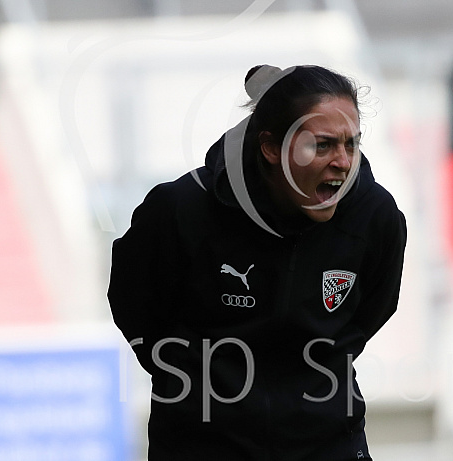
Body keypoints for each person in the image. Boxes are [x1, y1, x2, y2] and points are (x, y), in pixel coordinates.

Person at [108, 65, 407, 460]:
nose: (343, 162)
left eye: (351, 144)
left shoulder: (374, 215)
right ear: (270, 148)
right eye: (322, 145)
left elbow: (373, 311)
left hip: (328, 442)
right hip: (201, 446)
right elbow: (135, 307)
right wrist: (197, 384)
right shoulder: (179, 210)